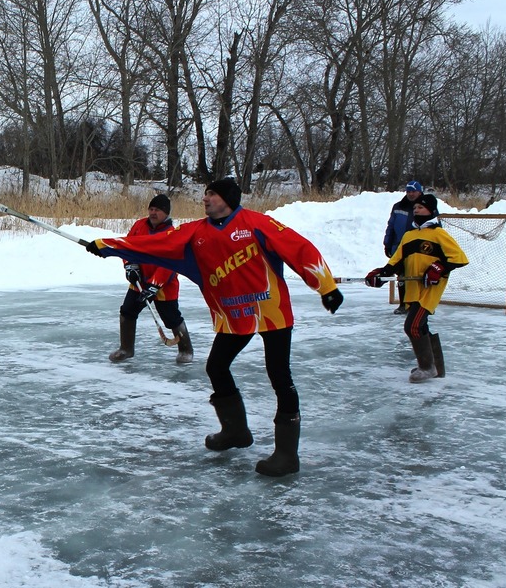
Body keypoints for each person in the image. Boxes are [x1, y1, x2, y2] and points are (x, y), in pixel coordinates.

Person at [85, 178, 343, 477]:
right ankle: (236, 431)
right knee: (216, 367)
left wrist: (326, 287)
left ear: (228, 199)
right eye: (205, 193)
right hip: (233, 316)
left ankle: (287, 455)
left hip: (272, 312)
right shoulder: (195, 232)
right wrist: (109, 246)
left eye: (212, 194)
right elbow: (154, 244)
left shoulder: (258, 223)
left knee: (279, 375)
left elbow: (300, 249)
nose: (205, 199)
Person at [366, 193, 468, 383]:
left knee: (412, 325)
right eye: (414, 208)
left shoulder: (439, 234)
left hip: (429, 289)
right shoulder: (409, 235)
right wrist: (380, 275)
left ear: (431, 210)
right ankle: (437, 367)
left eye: (420, 207)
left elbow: (459, 259)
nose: (416, 210)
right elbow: (395, 262)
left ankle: (426, 366)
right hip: (413, 288)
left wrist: (438, 268)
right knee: (421, 325)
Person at [109, 194, 194, 364]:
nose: (153, 213)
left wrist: (154, 286)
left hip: (164, 286)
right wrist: (129, 266)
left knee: (171, 318)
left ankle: (186, 349)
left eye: (158, 210)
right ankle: (126, 348)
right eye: (151, 209)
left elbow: (170, 264)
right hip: (139, 281)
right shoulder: (140, 225)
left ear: (166, 213)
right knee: (127, 311)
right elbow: (127, 247)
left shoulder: (171, 233)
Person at [383, 181, 424, 313]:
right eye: (408, 191)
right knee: (401, 275)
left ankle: (421, 305)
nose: (411, 194)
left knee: (419, 275)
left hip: (419, 248)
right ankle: (403, 304)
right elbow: (391, 226)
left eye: (413, 191)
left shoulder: (425, 207)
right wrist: (387, 244)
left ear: (419, 192)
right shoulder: (398, 206)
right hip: (399, 246)